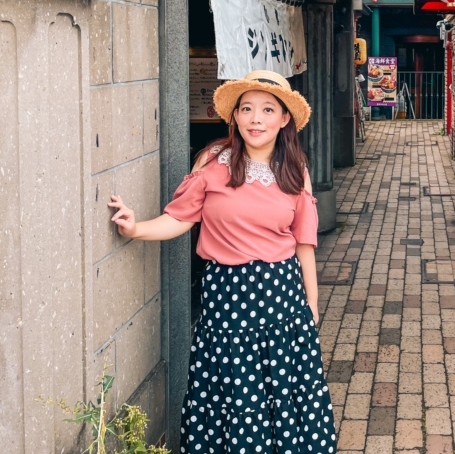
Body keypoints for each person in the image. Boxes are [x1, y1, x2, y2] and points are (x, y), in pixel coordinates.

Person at [107, 70, 336, 454]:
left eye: (267, 109)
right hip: (227, 298)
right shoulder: (213, 163)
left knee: (283, 391)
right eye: (246, 109)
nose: (255, 119)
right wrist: (135, 229)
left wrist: (311, 303)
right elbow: (180, 218)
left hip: (282, 297)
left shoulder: (296, 172)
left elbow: (303, 243)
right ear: (235, 117)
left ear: (284, 119)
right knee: (234, 392)